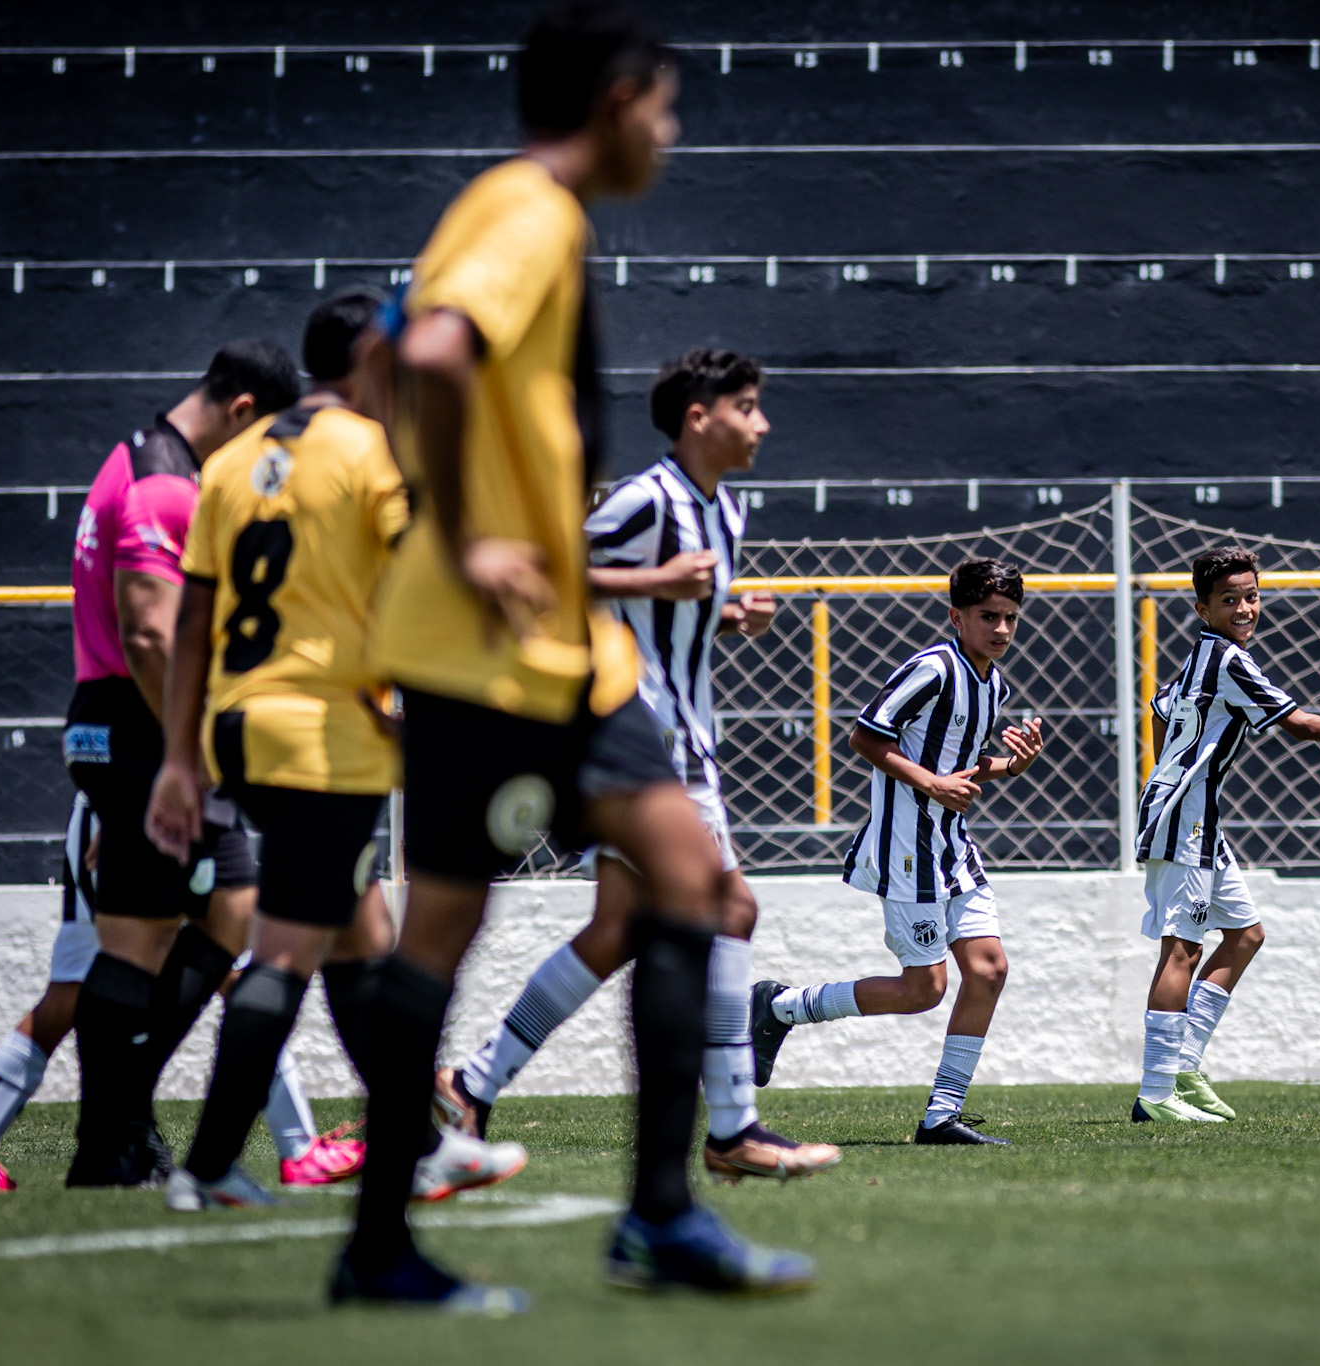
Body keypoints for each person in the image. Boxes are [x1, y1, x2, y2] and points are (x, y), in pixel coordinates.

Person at [337, 3, 812, 1309]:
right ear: (614, 102)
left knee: (682, 878)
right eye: (664, 107)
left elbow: (388, 347)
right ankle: (391, 1240)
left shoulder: (507, 215)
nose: (671, 132)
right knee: (453, 921)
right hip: (492, 650)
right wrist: (471, 531)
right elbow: (428, 356)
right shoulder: (532, 210)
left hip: (564, 656)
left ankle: (655, 1212)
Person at [137, 293, 514, 1210]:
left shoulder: (231, 462)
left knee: (358, 943)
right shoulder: (371, 455)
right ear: (373, 361)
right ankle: (210, 1164)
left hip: (238, 725)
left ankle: (421, 1143)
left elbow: (193, 618)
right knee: (286, 952)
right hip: (320, 735)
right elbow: (421, 589)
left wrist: (181, 757)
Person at [434, 348, 840, 1185]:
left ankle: (473, 1082)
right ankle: (731, 1126)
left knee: (618, 928)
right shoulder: (646, 501)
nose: (762, 424)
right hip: (647, 743)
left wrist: (726, 618)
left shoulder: (723, 512)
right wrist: (659, 579)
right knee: (731, 908)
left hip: (687, 742)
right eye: (749, 406)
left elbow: (659, 613)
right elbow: (549, 573)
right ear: (701, 416)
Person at [61, 338, 303, 1188]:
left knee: (212, 917)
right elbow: (151, 632)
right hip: (142, 728)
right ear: (242, 412)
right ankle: (110, 1140)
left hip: (128, 725)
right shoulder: (167, 481)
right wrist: (185, 755)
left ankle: (119, 1129)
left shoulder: (134, 456)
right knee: (142, 938)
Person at [750, 559, 1045, 1145]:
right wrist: (931, 784)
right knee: (923, 991)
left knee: (988, 971)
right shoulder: (933, 668)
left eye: (1011, 618)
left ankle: (942, 1116)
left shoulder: (993, 684)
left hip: (951, 846)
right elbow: (864, 734)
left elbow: (961, 762)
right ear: (957, 617)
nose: (1003, 629)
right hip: (905, 848)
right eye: (989, 616)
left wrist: (1015, 764)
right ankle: (780, 1006)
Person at [0, 795, 361, 1191]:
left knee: (76, 987)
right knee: (234, 969)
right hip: (163, 808)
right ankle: (296, 1149)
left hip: (125, 804)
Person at [1128, 548, 1320, 1123]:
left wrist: (1171, 770)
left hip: (1198, 817)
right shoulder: (1228, 661)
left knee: (1245, 936)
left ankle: (1184, 1067)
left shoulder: (1201, 657)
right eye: (1229, 600)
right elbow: (1296, 724)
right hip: (1185, 820)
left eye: (1250, 596)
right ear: (1202, 607)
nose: (1244, 608)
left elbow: (1160, 710)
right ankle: (1154, 1093)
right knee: (1183, 950)